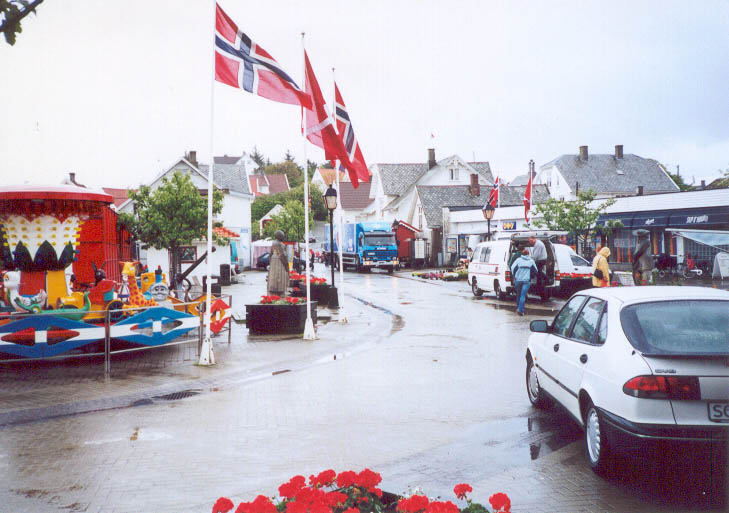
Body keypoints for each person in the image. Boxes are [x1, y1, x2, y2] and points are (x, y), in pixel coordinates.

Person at [511, 248, 537, 316]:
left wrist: (515, 276)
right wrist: (531, 277)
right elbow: (535, 270)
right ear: (528, 254)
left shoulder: (518, 260)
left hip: (518, 280)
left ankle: (518, 308)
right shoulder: (531, 261)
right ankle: (521, 310)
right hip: (526, 281)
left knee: (518, 295)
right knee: (523, 295)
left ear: (522, 254)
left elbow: (512, 268)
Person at [267, 230, 290, 296]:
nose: (283, 237)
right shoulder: (280, 244)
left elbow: (270, 254)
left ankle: (273, 287)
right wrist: (286, 265)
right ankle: (279, 288)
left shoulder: (273, 243)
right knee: (280, 275)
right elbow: (282, 255)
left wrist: (271, 261)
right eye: (282, 235)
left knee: (273, 275)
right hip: (279, 261)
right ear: (280, 236)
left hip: (273, 261)